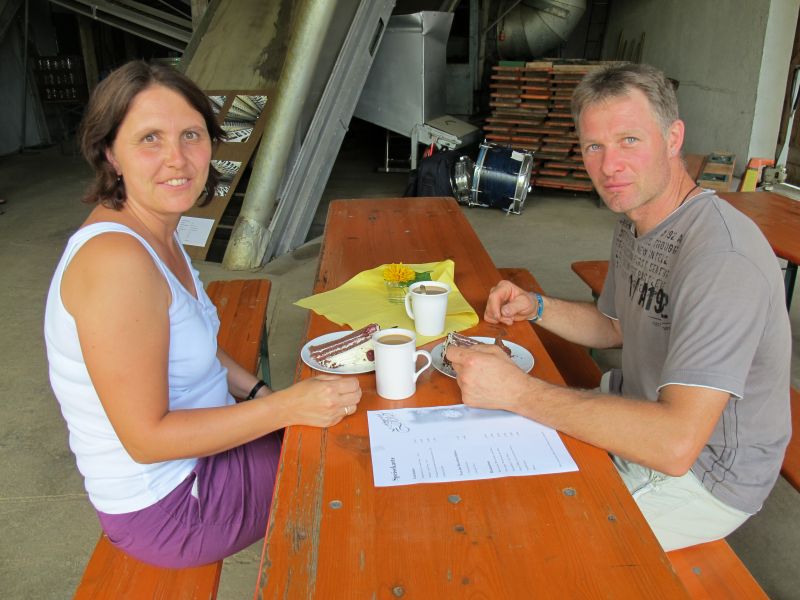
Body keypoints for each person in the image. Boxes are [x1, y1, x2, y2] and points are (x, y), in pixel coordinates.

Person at [446, 62, 792, 551]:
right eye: (595, 146)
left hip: (703, 473)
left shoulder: (721, 259)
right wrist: (536, 307)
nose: (610, 167)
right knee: (480, 475)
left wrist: (520, 393)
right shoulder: (637, 219)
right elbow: (616, 326)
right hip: (638, 415)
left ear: (673, 138)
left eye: (629, 140)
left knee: (519, 546)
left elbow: (675, 445)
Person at [43, 61, 362, 568]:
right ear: (110, 153)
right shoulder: (116, 263)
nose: (177, 158)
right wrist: (285, 409)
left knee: (348, 427)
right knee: (352, 461)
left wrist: (261, 394)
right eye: (150, 138)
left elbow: (196, 343)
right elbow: (147, 440)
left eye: (190, 135)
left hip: (200, 461)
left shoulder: (155, 232)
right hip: (173, 505)